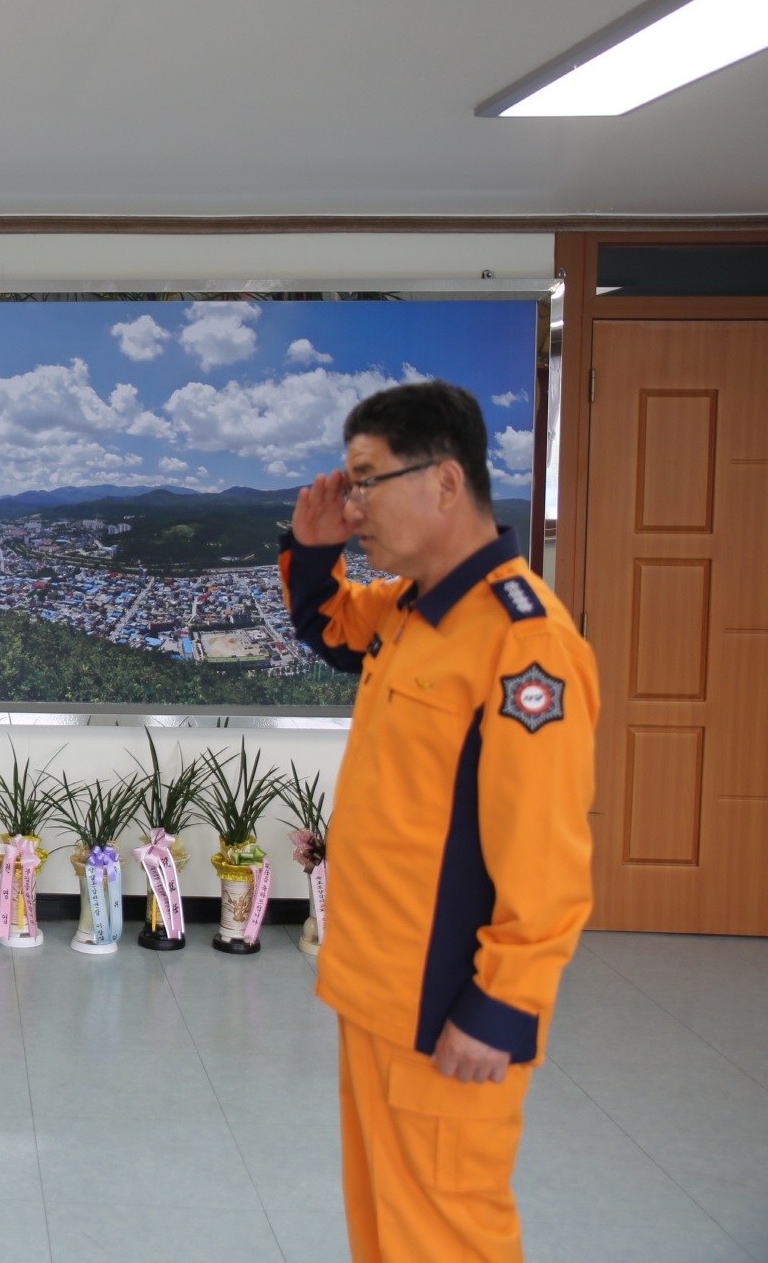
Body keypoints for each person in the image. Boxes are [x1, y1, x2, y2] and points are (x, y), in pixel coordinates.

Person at [280, 380, 597, 1263]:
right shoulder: (414, 608)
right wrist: (311, 549)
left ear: (445, 483)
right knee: (383, 1225)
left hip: (442, 1004)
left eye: (366, 481)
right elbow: (328, 627)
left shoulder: (523, 643)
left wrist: (501, 1006)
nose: (353, 507)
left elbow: (545, 854)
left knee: (445, 1236)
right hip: (373, 987)